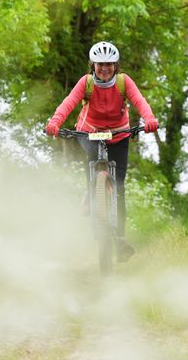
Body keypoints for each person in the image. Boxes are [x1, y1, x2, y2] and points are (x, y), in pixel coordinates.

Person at [45, 41, 158, 261]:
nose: (104, 68)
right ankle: (93, 192)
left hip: (119, 134)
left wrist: (150, 119)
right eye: (100, 65)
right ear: (93, 65)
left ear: (115, 66)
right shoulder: (86, 83)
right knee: (94, 161)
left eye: (109, 64)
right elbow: (69, 102)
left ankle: (121, 240)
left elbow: (139, 101)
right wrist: (55, 122)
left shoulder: (124, 82)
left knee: (120, 187)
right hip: (89, 132)